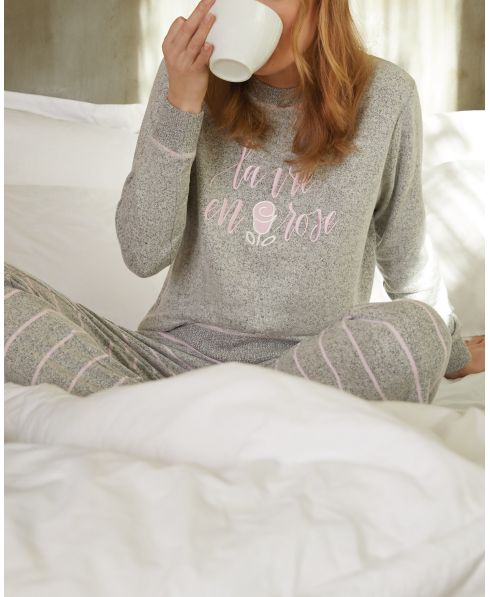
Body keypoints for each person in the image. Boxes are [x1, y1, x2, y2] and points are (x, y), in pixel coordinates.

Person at [4, 0, 484, 401]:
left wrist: (449, 349)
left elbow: (405, 246)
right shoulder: (187, 81)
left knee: (416, 332)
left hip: (308, 368)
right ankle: (203, 422)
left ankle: (145, 421)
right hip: (166, 363)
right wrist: (182, 102)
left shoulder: (388, 96)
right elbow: (143, 251)